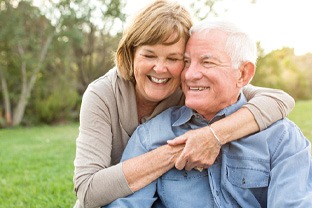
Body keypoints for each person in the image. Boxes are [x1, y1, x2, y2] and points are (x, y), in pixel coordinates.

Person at [73, 1, 295, 207]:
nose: (160, 69)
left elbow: (279, 100)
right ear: (131, 54)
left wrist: (212, 136)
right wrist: (179, 150)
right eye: (149, 55)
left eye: (174, 59)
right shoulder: (102, 94)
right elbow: (87, 191)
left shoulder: (191, 87)